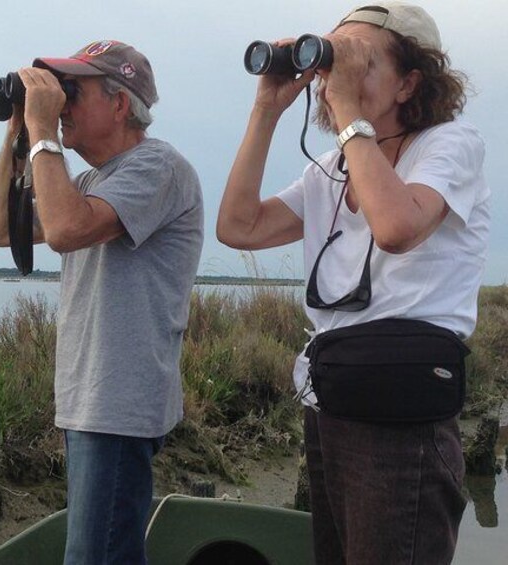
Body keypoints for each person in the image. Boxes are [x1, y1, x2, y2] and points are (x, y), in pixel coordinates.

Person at [217, 2, 489, 564]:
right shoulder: (332, 167)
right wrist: (266, 109)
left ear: (409, 82)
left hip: (400, 414)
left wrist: (344, 110)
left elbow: (394, 228)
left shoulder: (449, 144)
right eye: (331, 58)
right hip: (333, 398)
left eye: (357, 59)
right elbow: (238, 227)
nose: (332, 76)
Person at [0, 40, 204, 564]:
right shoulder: (84, 182)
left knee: (96, 556)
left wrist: (41, 131)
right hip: (89, 402)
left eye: (72, 93)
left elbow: (65, 229)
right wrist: (18, 129)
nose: (61, 108)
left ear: (121, 103)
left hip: (119, 407)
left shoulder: (159, 168)